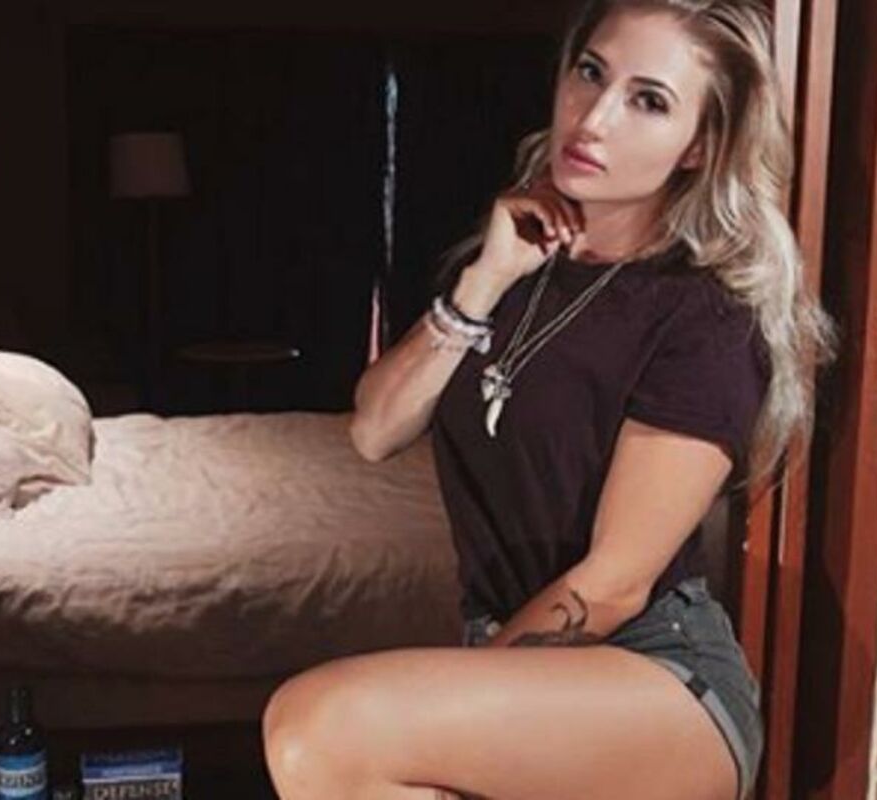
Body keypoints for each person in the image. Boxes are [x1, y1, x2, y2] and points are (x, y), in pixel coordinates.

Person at [262, 1, 838, 798]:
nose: (594, 118)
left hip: (655, 676)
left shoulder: (703, 319)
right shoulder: (512, 267)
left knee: (319, 726)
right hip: (523, 666)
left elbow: (614, 584)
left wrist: (458, 704)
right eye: (591, 73)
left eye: (648, 101)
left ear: (699, 147)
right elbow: (375, 429)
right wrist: (486, 279)